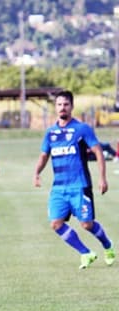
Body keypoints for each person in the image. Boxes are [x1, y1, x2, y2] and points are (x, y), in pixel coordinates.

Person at [34, 90, 115, 269]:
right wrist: (37, 172)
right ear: (55, 107)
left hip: (80, 186)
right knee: (55, 224)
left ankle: (108, 246)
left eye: (66, 104)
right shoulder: (50, 133)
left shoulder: (82, 129)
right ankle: (86, 253)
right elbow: (43, 155)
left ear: (72, 106)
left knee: (86, 224)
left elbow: (98, 152)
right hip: (59, 188)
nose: (62, 108)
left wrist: (103, 178)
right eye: (59, 104)